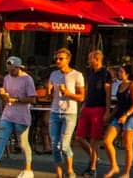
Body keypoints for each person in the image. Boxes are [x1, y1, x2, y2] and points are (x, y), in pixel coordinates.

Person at [0, 55, 37, 178]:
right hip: (8, 114)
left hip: (21, 116)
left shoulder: (27, 79)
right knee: (0, 140)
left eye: (13, 70)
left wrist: (16, 99)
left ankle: (28, 169)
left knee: (23, 144)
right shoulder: (7, 78)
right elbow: (5, 98)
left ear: (19, 67)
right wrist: (3, 95)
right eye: (9, 70)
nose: (11, 72)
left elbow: (33, 99)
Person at [47, 49, 85, 178]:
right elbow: (50, 94)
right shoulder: (54, 74)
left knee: (64, 145)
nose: (58, 61)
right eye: (56, 58)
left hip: (69, 113)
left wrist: (68, 93)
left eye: (61, 59)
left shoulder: (77, 75)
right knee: (54, 145)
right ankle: (59, 172)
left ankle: (70, 170)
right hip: (55, 111)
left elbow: (81, 97)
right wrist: (48, 91)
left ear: (68, 60)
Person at [100, 63, 133, 178]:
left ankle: (126, 172)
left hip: (130, 116)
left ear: (127, 73)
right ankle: (114, 166)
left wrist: (126, 115)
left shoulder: (132, 85)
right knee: (107, 141)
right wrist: (110, 116)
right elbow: (118, 104)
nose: (118, 73)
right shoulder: (120, 85)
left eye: (121, 71)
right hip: (118, 116)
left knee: (127, 145)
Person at [77, 50, 111, 174]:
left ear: (97, 59)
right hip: (88, 106)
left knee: (94, 139)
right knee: (80, 137)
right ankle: (94, 158)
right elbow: (87, 89)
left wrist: (107, 110)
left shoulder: (105, 73)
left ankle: (92, 166)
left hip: (99, 107)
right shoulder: (90, 72)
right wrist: (84, 104)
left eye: (90, 58)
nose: (88, 61)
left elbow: (107, 93)